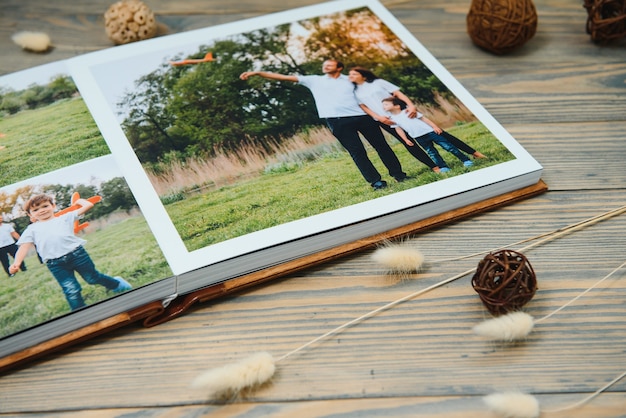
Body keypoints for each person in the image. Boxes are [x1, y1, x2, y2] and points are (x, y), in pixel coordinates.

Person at [240, 59, 408, 190]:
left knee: (382, 146)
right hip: (337, 121)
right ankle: (376, 182)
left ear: (339, 67)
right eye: (324, 65)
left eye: (329, 64)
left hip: (363, 117)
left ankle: (399, 174)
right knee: (357, 152)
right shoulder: (314, 80)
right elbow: (283, 77)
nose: (325, 66)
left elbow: (370, 89)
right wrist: (257, 73)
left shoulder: (350, 80)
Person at [348, 66, 486, 172]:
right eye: (350, 74)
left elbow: (398, 94)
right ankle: (435, 167)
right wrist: (379, 118)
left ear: (363, 76)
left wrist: (411, 106)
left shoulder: (378, 82)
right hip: (387, 120)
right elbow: (364, 107)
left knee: (439, 133)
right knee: (409, 143)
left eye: (354, 73)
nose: (350, 76)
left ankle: (473, 153)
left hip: (405, 112)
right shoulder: (354, 92)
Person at [9, 194, 132, 311]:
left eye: (45, 206)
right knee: (70, 288)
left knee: (92, 278)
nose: (41, 210)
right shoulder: (32, 229)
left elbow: (88, 205)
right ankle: (79, 312)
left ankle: (117, 284)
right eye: (35, 210)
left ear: (53, 206)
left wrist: (78, 201)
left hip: (77, 255)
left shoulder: (65, 217)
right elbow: (24, 247)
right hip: (55, 264)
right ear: (30, 215)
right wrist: (17, 263)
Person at [381, 97, 475, 170]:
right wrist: (405, 140)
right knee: (432, 153)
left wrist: (434, 127)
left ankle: (465, 160)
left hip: (430, 132)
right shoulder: (392, 119)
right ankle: (443, 167)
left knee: (449, 147)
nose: (383, 106)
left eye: (386, 104)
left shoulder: (408, 112)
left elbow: (424, 119)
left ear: (397, 106)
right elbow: (399, 130)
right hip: (418, 137)